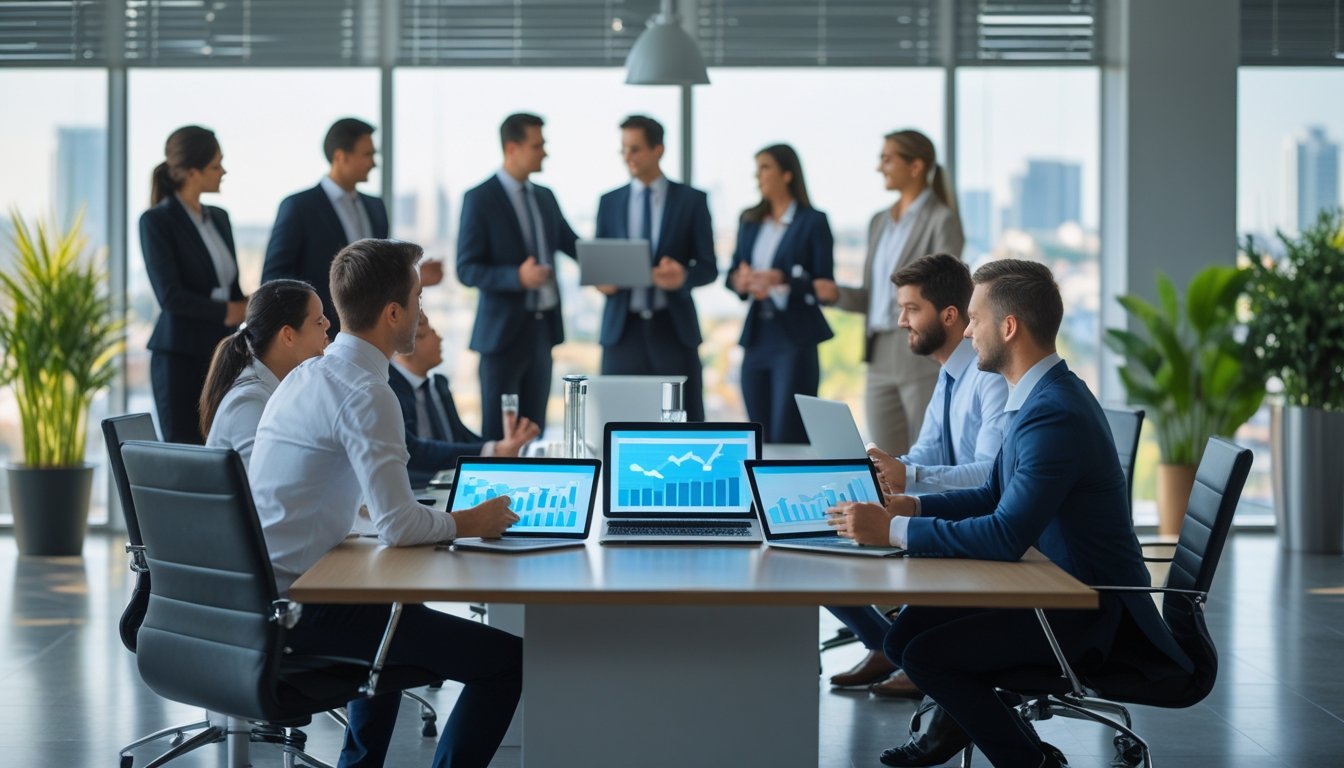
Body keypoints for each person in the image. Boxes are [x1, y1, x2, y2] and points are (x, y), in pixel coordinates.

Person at [828, 260, 1191, 768]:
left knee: (929, 655)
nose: (968, 331)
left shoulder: (1053, 412)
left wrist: (893, 528)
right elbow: (995, 491)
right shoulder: (1041, 396)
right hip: (1051, 585)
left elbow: (1003, 534)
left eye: (975, 319)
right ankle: (1001, 736)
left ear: (1009, 327)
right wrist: (911, 505)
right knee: (907, 636)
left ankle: (1030, 762)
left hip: (1086, 610)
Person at [250, 238, 522, 768]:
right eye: (419, 297)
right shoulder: (368, 394)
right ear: (393, 312)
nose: (424, 309)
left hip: (268, 598)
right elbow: (399, 527)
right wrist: (473, 520)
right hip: (303, 613)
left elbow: (316, 489)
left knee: (397, 608)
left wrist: (369, 513)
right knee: (508, 661)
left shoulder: (306, 375)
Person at [825, 253, 1009, 699]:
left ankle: (899, 647)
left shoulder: (989, 378)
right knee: (822, 533)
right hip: (941, 509)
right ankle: (887, 644)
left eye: (911, 309)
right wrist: (888, 466)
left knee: (836, 543)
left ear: (948, 316)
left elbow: (992, 477)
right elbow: (926, 450)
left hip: (973, 524)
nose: (901, 320)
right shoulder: (948, 375)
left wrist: (910, 474)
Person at [814, 129, 965, 457]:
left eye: (887, 158)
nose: (879, 167)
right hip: (879, 350)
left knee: (931, 454)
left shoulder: (941, 220)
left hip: (919, 350)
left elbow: (945, 290)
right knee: (884, 459)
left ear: (915, 166)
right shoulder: (879, 222)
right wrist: (835, 294)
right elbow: (875, 298)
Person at [457, 112, 579, 438]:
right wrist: (517, 278)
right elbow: (466, 268)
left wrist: (616, 265)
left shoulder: (545, 197)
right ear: (512, 148)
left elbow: (574, 245)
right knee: (500, 435)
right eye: (537, 145)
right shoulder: (480, 198)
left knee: (533, 430)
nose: (545, 152)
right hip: (501, 338)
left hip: (542, 331)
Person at [262, 117, 442, 337]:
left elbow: (377, 273)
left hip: (373, 334)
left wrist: (414, 275)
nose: (374, 163)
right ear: (341, 156)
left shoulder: (376, 207)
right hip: (321, 336)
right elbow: (274, 278)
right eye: (367, 154)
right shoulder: (299, 207)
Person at [593, 115, 718, 421]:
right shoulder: (609, 202)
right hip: (622, 332)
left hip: (674, 330)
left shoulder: (692, 201)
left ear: (658, 149)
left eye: (635, 149)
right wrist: (602, 281)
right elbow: (600, 263)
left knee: (685, 422)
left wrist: (683, 277)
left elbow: (709, 267)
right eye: (623, 149)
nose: (628, 157)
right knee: (617, 421)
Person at [140, 125, 247, 444]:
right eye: (216, 165)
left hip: (220, 354)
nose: (223, 171)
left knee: (221, 443)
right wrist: (228, 311)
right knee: (185, 448)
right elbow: (170, 296)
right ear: (191, 171)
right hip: (179, 357)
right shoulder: (157, 221)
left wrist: (254, 305)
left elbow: (232, 288)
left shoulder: (219, 217)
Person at [725, 144, 834, 443]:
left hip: (794, 337)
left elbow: (825, 284)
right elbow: (731, 276)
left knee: (788, 433)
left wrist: (781, 278)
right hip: (758, 333)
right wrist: (742, 280)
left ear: (787, 174)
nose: (757, 176)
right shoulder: (749, 220)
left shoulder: (813, 221)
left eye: (764, 168)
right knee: (758, 433)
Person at [389, 314, 541, 487]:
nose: (440, 338)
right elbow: (414, 450)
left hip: (452, 481)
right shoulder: (388, 390)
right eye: (431, 332)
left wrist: (504, 446)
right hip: (418, 489)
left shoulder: (438, 384)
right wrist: (494, 450)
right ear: (409, 345)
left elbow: (460, 435)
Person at [200, 279, 330, 468]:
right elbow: (267, 489)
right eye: (319, 321)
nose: (328, 324)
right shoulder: (249, 402)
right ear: (288, 335)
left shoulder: (278, 389)